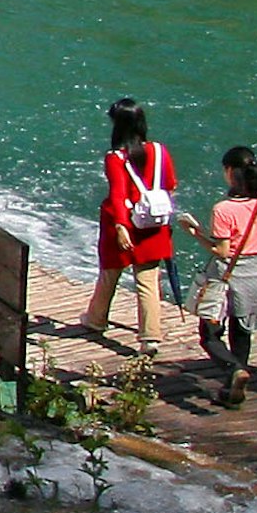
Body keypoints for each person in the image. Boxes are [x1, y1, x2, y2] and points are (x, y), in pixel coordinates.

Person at [84, 98, 182, 354]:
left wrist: (120, 226)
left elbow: (118, 194)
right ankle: (150, 337)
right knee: (148, 280)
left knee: (110, 272)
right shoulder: (160, 151)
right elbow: (170, 184)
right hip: (153, 223)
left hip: (124, 222)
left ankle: (96, 319)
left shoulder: (116, 158)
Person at [194, 146, 257, 405]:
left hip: (228, 275)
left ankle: (234, 369)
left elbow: (222, 250)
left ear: (230, 172)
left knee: (209, 334)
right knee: (243, 330)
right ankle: (233, 389)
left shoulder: (223, 209)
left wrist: (196, 234)